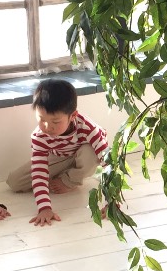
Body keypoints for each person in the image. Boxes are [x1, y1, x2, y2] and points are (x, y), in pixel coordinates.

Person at [6, 79, 109, 227]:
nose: (48, 127)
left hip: (87, 153)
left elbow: (108, 162)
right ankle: (67, 172)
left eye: (55, 122)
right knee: (14, 182)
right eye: (41, 119)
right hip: (60, 156)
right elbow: (39, 172)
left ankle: (71, 179)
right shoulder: (40, 136)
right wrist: (44, 208)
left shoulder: (89, 128)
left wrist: (112, 201)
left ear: (72, 116)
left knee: (89, 154)